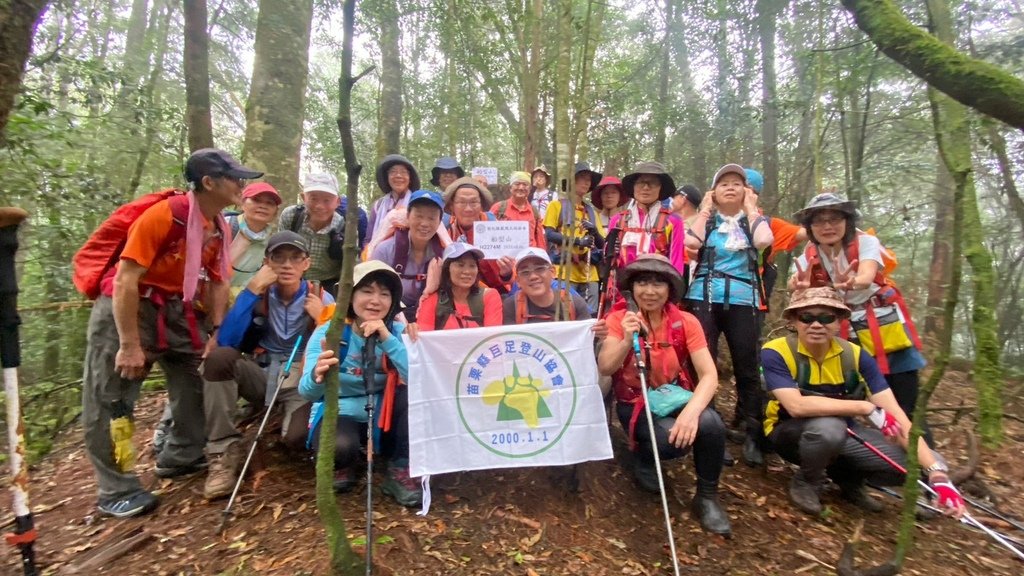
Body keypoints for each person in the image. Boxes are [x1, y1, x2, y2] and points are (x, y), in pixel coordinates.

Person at [82, 148, 260, 518]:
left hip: (178, 308)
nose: (242, 185)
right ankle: (115, 488)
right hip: (131, 308)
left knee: (196, 375)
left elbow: (216, 281)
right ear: (208, 183)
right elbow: (127, 278)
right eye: (234, 178)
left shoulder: (219, 226)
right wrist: (129, 343)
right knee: (112, 396)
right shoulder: (165, 216)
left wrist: (215, 330)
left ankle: (181, 454)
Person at [761, 287, 965, 518]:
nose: (816, 325)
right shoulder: (775, 351)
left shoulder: (856, 356)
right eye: (806, 317)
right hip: (789, 433)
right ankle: (807, 481)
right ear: (794, 321)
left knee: (926, 461)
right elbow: (796, 406)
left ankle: (848, 479)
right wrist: (864, 407)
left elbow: (894, 413)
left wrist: (937, 474)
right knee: (829, 429)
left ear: (839, 323)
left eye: (826, 317)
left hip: (847, 434)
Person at [598, 254, 730, 536]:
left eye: (658, 283)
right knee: (670, 441)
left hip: (673, 397)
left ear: (670, 288)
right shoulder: (619, 318)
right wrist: (625, 339)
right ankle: (644, 457)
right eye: (642, 283)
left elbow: (709, 375)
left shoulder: (686, 322)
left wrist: (691, 414)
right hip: (635, 403)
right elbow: (606, 366)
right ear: (632, 288)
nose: (649, 291)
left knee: (712, 424)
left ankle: (706, 496)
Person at [200, 231, 331, 500]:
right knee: (219, 359)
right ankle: (222, 451)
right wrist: (251, 292)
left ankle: (283, 422)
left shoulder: (320, 296)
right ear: (266, 261)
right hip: (260, 372)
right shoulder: (256, 293)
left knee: (296, 440)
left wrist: (321, 321)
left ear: (306, 263)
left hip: (300, 378)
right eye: (278, 258)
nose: (287, 265)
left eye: (295, 258)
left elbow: (337, 347)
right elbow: (227, 340)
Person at [789, 193, 926, 422]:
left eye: (834, 219)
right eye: (819, 221)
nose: (827, 226)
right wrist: (797, 285)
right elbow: (796, 281)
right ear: (810, 227)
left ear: (847, 221)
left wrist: (852, 281)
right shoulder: (810, 253)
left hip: (885, 326)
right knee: (850, 394)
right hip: (846, 330)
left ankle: (918, 452)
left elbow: (866, 275)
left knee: (904, 402)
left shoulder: (865, 242)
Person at [300, 260, 421, 506]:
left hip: (385, 415)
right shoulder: (329, 333)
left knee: (412, 397)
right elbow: (306, 391)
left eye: (384, 294)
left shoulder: (399, 332)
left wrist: (387, 338)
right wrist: (318, 374)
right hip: (342, 412)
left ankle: (399, 469)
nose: (375, 300)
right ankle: (344, 462)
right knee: (340, 448)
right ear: (350, 296)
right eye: (367, 291)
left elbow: (418, 380)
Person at [685, 163, 774, 467]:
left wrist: (751, 208)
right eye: (724, 183)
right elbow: (691, 243)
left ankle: (752, 432)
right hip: (704, 296)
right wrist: (707, 209)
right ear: (714, 191)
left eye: (738, 183)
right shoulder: (708, 221)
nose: (731, 187)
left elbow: (763, 242)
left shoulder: (756, 221)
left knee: (747, 365)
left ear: (747, 190)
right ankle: (711, 430)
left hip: (743, 299)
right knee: (704, 363)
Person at [370, 189, 447, 325]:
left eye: (431, 218)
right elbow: (373, 291)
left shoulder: (444, 254)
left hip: (429, 316)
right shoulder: (385, 250)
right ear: (408, 216)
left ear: (439, 221)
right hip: (389, 315)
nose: (424, 223)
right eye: (418, 216)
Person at [543, 162, 605, 312]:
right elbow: (550, 234)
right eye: (581, 177)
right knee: (564, 314)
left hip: (589, 273)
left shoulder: (592, 212)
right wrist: (578, 241)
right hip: (563, 270)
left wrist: (594, 232)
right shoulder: (556, 206)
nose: (586, 182)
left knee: (590, 318)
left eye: (588, 179)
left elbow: (602, 243)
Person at [278, 173, 346, 296]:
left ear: (338, 202)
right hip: (291, 278)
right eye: (313, 198)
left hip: (329, 284)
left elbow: (350, 266)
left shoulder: (345, 227)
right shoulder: (291, 216)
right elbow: (279, 251)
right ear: (303, 198)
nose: (320, 206)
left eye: (327, 200)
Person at [445, 176, 514, 293]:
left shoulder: (497, 229)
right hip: (459, 293)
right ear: (452, 206)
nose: (468, 209)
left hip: (498, 292)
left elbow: (511, 277)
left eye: (474, 202)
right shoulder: (446, 232)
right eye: (461, 202)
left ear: (481, 205)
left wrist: (507, 273)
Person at [416, 242, 503, 331]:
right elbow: (424, 337)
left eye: (472, 266)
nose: (467, 271)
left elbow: (492, 338)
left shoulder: (489, 296)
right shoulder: (432, 300)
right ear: (447, 269)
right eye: (460, 265)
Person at [503, 247, 592, 324]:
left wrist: (599, 334)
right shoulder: (511, 307)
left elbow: (589, 339)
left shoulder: (574, 304)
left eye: (540, 269)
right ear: (518, 280)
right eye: (525, 272)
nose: (533, 276)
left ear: (552, 272)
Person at [227, 182, 282, 295]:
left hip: (246, 301)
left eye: (270, 203)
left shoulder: (272, 241)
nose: (263, 206)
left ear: (275, 211)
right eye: (256, 200)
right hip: (210, 299)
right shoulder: (225, 226)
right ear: (242, 203)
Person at [743, 167, 807, 261]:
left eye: (738, 186)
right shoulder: (717, 222)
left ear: (751, 192)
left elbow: (808, 233)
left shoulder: (771, 225)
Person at [368, 154, 420, 243]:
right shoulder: (378, 205)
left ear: (410, 178)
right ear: (387, 178)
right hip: (379, 254)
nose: (398, 176)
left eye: (403, 172)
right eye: (393, 172)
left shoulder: (418, 202)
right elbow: (368, 238)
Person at [490, 171, 546, 249]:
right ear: (510, 188)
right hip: (504, 257)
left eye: (525, 185)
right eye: (517, 184)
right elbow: (488, 236)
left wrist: (542, 257)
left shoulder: (534, 212)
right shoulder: (498, 208)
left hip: (528, 257)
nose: (521, 187)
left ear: (529, 189)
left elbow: (540, 239)